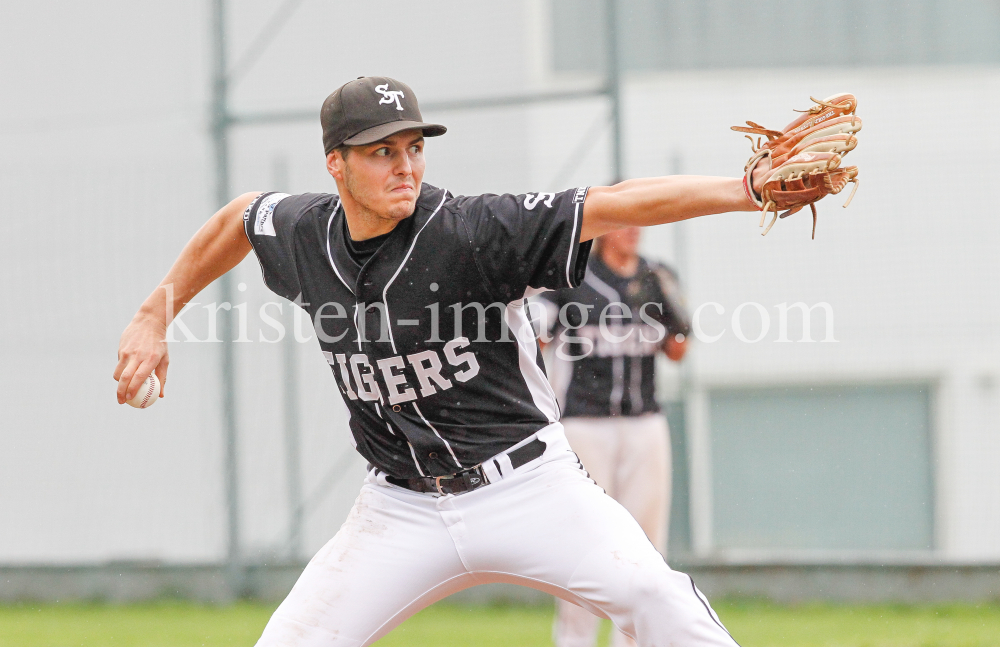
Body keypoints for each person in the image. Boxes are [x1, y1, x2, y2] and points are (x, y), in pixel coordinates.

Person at [114, 76, 767, 646]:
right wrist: (154, 314)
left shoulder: (472, 230)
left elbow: (614, 203)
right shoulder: (306, 234)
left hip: (529, 487)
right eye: (382, 152)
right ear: (335, 165)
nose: (405, 166)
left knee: (659, 600)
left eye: (414, 147)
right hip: (398, 508)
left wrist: (745, 188)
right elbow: (239, 218)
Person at [537, 227, 690, 647]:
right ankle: (575, 640)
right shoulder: (571, 279)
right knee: (585, 544)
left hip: (645, 423)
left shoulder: (655, 276)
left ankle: (636, 641)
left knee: (646, 545)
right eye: (623, 223)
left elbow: (679, 351)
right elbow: (534, 338)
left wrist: (668, 317)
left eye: (637, 224)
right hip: (585, 425)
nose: (632, 233)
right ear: (604, 232)